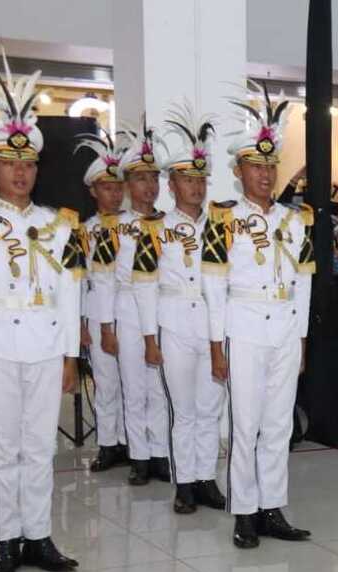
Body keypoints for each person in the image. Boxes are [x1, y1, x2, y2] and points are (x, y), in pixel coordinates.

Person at [203, 81, 312, 548]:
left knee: (278, 423)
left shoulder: (296, 219)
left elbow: (305, 282)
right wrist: (215, 343)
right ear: (238, 170)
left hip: (287, 328)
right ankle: (244, 511)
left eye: (271, 166)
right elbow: (213, 287)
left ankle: (272, 507)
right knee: (244, 423)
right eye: (255, 166)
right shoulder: (222, 218)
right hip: (243, 328)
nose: (265, 175)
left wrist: (303, 339)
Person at [0, 60, 84, 572]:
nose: (20, 172)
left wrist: (71, 356)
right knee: (3, 446)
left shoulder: (58, 225)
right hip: (1, 346)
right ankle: (5, 539)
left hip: (48, 345)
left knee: (40, 445)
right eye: (9, 163)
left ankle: (38, 535)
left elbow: (69, 295)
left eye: (27, 163)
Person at [133, 102, 227, 514]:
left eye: (200, 180)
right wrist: (150, 339)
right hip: (173, 323)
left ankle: (206, 478)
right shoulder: (156, 229)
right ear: (171, 184)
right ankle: (184, 482)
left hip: (213, 324)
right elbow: (144, 287)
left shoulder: (222, 225)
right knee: (182, 410)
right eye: (186, 180)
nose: (196, 187)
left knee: (211, 406)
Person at [112, 118, 171, 485]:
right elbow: (103, 283)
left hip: (162, 309)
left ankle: (161, 453)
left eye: (153, 179)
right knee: (133, 387)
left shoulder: (169, 225)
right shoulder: (112, 227)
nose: (148, 186)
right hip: (126, 311)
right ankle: (138, 457)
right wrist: (104, 325)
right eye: (140, 179)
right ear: (127, 184)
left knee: (159, 387)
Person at [74, 128, 129, 472]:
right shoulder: (83, 231)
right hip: (97, 312)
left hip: (131, 311)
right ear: (94, 191)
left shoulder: (135, 226)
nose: (114, 194)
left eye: (118, 187)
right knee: (106, 382)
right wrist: (79, 322)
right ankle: (109, 444)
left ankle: (133, 442)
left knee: (136, 383)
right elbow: (78, 281)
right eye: (107, 187)